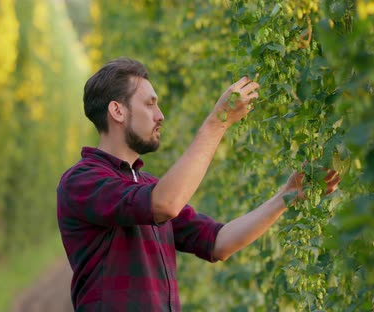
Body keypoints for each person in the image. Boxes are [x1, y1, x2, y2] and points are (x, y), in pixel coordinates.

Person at [56, 57, 340, 311]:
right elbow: (164, 204)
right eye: (150, 103)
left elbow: (219, 242)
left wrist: (287, 196)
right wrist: (218, 122)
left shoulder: (146, 186)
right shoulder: (81, 181)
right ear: (117, 111)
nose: (160, 115)